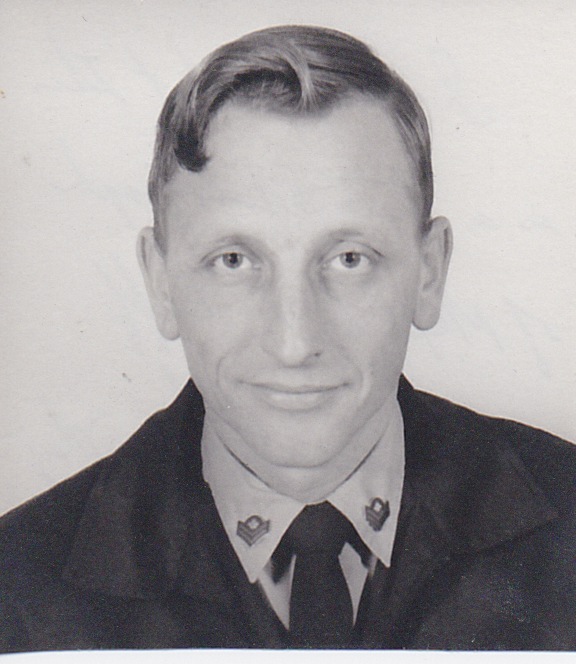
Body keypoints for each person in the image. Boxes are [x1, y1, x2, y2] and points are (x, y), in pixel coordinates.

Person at [1, 25, 575, 653]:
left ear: (430, 272)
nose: (294, 343)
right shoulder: (16, 586)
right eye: (234, 260)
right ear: (160, 283)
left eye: (350, 259)